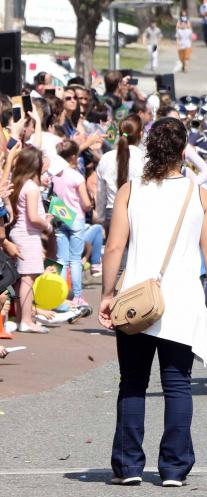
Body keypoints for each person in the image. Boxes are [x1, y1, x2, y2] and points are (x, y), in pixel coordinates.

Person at [98, 116, 207, 486]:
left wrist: (107, 294)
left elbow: (114, 246)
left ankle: (128, 466)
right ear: (183, 149)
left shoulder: (130, 190)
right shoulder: (198, 194)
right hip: (182, 301)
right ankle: (173, 468)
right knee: (177, 385)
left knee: (133, 383)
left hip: (137, 299)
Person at [8, 145, 53, 333]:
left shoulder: (19, 182)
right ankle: (26, 320)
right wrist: (47, 225)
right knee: (28, 279)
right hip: (28, 236)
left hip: (18, 233)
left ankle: (22, 318)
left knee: (21, 280)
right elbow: (33, 217)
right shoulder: (32, 187)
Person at [52, 139, 92, 308]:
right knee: (75, 259)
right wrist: (89, 206)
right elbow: (86, 202)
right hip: (76, 219)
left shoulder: (54, 175)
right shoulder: (76, 176)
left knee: (61, 259)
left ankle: (59, 297)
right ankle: (77, 296)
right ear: (74, 157)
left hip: (60, 217)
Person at [95, 115, 144, 231]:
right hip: (139, 214)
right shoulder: (145, 159)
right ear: (141, 134)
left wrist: (101, 218)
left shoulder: (106, 158)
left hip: (112, 214)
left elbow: (100, 192)